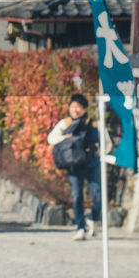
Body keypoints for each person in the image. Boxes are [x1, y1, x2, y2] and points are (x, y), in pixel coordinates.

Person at [48, 94, 102, 240]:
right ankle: (80, 227)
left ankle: (93, 218)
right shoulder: (65, 124)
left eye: (78, 107)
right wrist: (64, 138)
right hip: (74, 164)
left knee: (97, 196)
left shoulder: (93, 125)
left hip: (92, 163)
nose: (75, 110)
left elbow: (105, 141)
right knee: (77, 196)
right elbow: (51, 138)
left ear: (85, 109)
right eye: (72, 106)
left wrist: (99, 148)